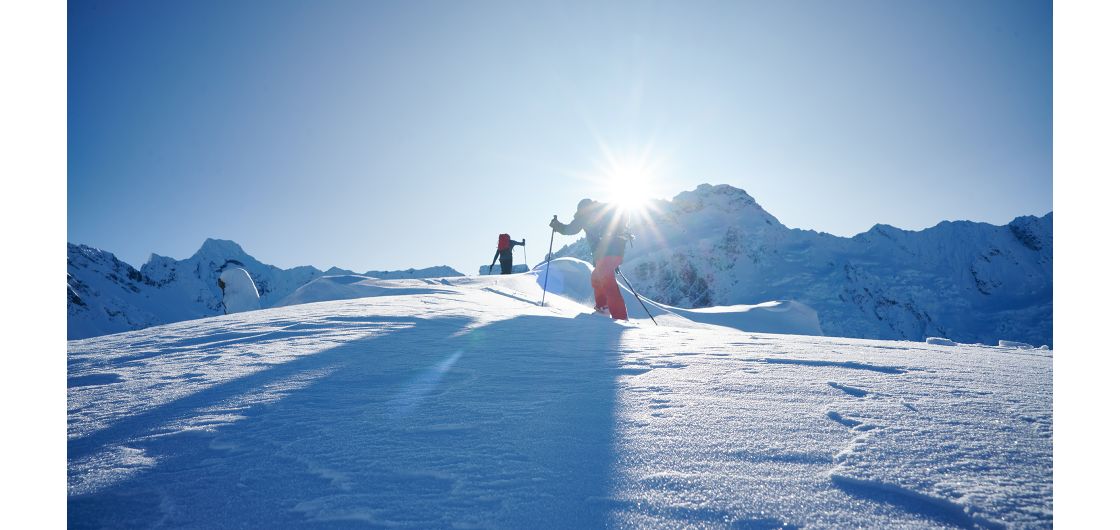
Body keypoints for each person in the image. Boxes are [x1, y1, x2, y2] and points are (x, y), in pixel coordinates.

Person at [549, 198, 630, 320]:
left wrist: (556, 225)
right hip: (616, 250)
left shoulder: (584, 215)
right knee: (596, 278)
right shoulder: (605, 210)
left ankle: (620, 317)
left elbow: (570, 230)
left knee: (608, 283)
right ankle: (603, 308)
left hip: (606, 252)